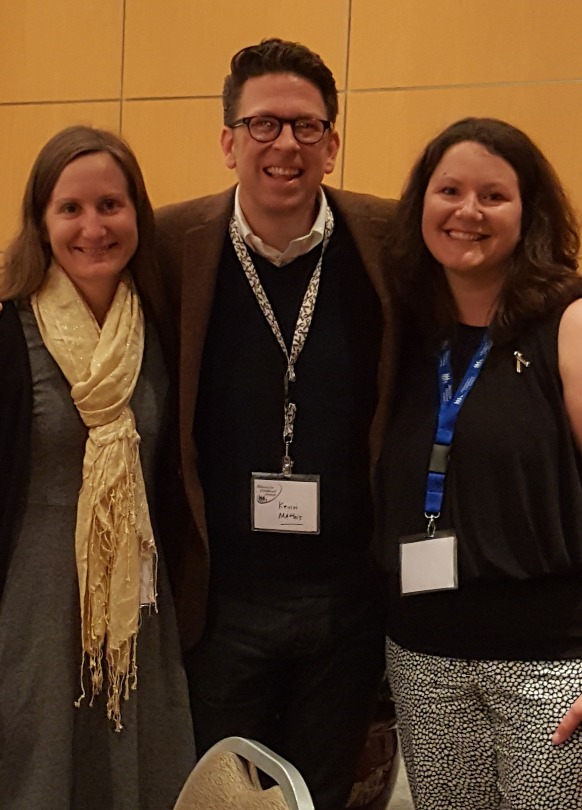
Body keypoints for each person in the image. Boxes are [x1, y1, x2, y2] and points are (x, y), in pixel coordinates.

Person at [139, 38, 397, 810]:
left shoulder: (389, 240)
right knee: (217, 792)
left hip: (348, 596)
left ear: (333, 143)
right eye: (263, 124)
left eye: (307, 126)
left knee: (323, 793)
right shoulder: (166, 244)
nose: (286, 144)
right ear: (228, 142)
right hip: (223, 599)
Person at [374, 116, 582, 809]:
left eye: (493, 196)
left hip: (551, 661)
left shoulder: (569, 323)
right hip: (423, 654)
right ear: (421, 205)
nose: (467, 211)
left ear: (530, 213)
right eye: (450, 191)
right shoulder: (401, 327)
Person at [0, 126, 195, 809]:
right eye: (71, 209)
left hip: (135, 598)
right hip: (29, 601)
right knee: (34, 766)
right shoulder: (8, 326)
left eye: (110, 206)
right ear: (41, 221)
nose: (93, 228)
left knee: (135, 768)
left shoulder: (159, 325)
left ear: (137, 213)